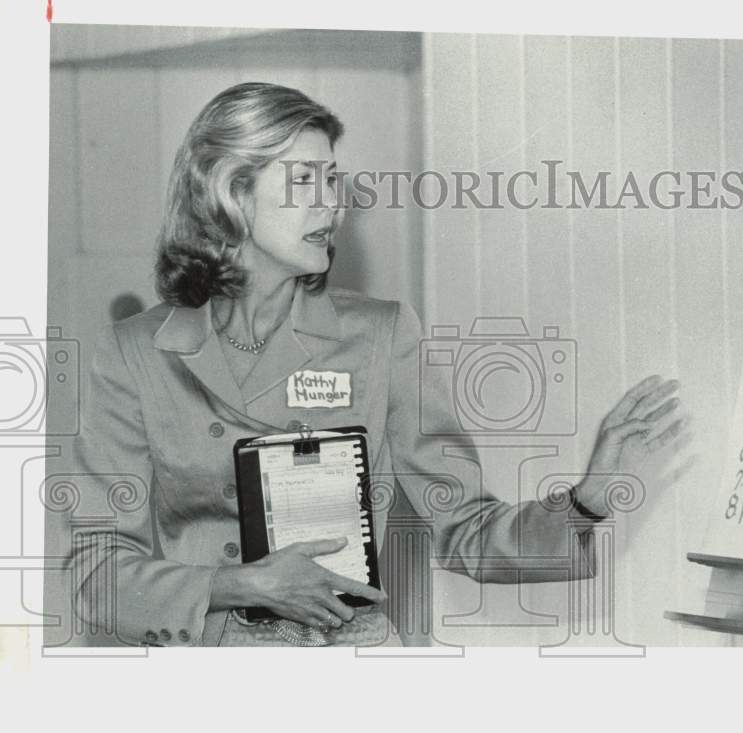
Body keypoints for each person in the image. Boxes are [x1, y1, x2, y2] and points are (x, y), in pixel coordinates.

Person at [67, 82, 690, 647]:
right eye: (304, 180)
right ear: (232, 190)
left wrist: (587, 500)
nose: (331, 206)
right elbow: (96, 574)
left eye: (332, 181)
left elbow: (466, 530)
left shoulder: (379, 336)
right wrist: (242, 585)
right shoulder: (134, 353)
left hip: (353, 664)